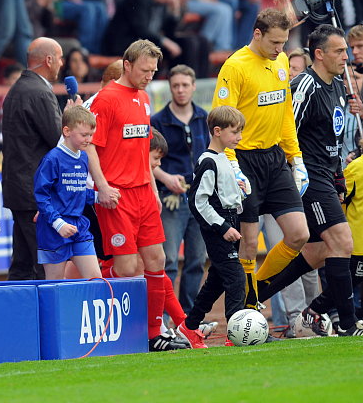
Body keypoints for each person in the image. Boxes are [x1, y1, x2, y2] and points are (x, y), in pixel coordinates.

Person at [252, 25, 363, 337]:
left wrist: (339, 177)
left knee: (318, 251)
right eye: (339, 51)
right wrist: (287, 178)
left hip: (329, 177)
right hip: (307, 177)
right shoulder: (304, 86)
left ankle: (253, 298)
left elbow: (331, 137)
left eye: (346, 50)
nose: (346, 57)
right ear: (319, 54)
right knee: (342, 242)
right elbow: (282, 133)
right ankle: (347, 323)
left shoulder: (338, 85)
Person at [86, 39, 187, 351]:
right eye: (145, 70)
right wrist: (101, 186)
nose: (150, 76)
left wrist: (153, 186)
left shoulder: (143, 98)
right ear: (127, 65)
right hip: (117, 194)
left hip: (143, 192)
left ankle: (155, 333)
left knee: (158, 259)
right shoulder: (106, 99)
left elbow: (143, 147)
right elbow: (91, 145)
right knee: (128, 268)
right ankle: (121, 329)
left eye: (154, 71)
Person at [212, 8, 309, 309]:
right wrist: (230, 165)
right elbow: (221, 120)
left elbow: (284, 115)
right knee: (249, 243)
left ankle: (257, 291)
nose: (281, 50)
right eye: (275, 43)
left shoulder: (279, 60)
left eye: (284, 42)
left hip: (275, 158)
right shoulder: (235, 66)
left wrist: (297, 158)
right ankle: (245, 306)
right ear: (257, 34)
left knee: (299, 235)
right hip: (244, 160)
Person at [299, 119, 363, 335]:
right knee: (342, 288)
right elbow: (340, 200)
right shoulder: (355, 169)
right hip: (362, 245)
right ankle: (313, 310)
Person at [2, 38, 80, 280]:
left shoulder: (20, 88)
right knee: (43, 263)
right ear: (48, 60)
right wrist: (70, 119)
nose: (61, 64)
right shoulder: (38, 92)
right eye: (59, 59)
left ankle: (16, 316)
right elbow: (58, 139)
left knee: (23, 263)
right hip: (35, 192)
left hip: (21, 188)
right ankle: (44, 317)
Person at [177, 106, 248, 349]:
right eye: (235, 132)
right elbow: (198, 201)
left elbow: (222, 193)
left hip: (230, 222)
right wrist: (222, 227)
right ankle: (236, 334)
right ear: (217, 131)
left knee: (217, 280)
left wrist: (238, 189)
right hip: (220, 226)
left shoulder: (224, 158)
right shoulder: (208, 161)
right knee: (236, 277)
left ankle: (190, 325)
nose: (239, 137)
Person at [151, 64, 210, 313]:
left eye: (185, 85)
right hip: (170, 197)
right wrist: (166, 179)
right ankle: (164, 316)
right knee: (170, 259)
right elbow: (147, 160)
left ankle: (189, 316)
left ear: (194, 86)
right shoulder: (157, 121)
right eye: (176, 86)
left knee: (197, 259)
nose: (181, 90)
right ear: (170, 88)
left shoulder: (204, 118)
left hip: (200, 196)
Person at [34, 106, 102, 281]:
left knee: (95, 279)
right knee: (55, 284)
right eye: (84, 135)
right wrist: (58, 224)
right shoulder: (52, 159)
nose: (88, 139)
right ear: (67, 131)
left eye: (91, 135)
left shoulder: (83, 157)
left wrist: (98, 197)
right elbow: (41, 196)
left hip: (79, 225)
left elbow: (75, 191)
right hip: (53, 229)